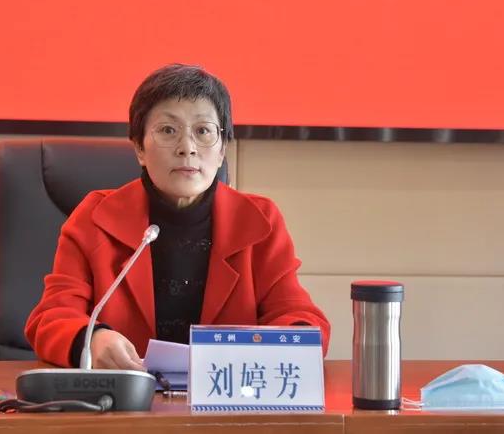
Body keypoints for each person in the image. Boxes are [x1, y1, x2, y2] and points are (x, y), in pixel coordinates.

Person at [25, 63, 330, 370]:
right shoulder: (95, 218)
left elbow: (299, 316)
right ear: (139, 148)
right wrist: (91, 339)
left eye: (203, 131)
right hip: (124, 395)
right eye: (168, 130)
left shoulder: (259, 220)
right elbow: (51, 317)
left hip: (225, 396)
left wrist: (288, 345)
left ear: (222, 149)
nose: (187, 148)